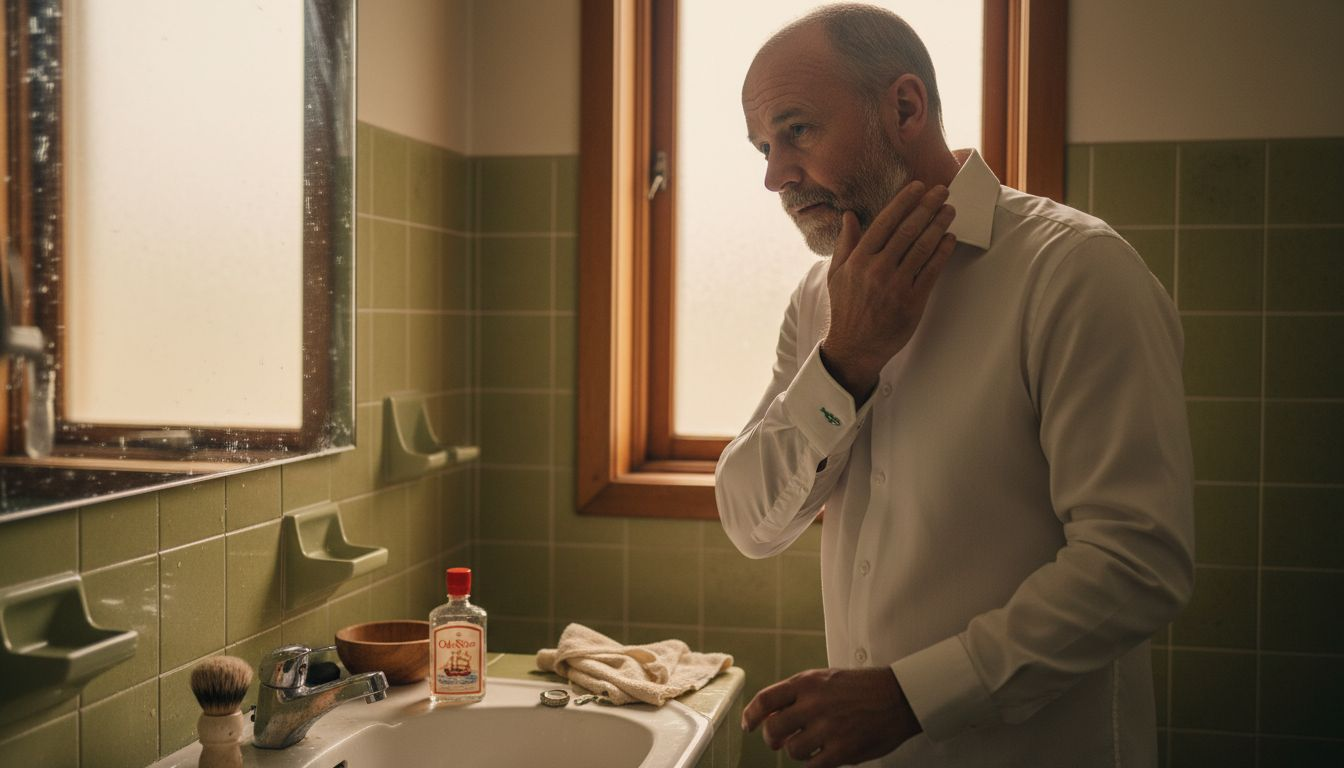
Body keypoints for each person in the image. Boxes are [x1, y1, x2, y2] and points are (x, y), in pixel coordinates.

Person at [715, 4, 1195, 767]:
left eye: (797, 131)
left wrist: (912, 695)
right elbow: (748, 519)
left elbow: (1136, 564)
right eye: (763, 147)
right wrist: (845, 363)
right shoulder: (817, 303)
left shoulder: (1074, 273)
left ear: (904, 107)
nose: (775, 175)